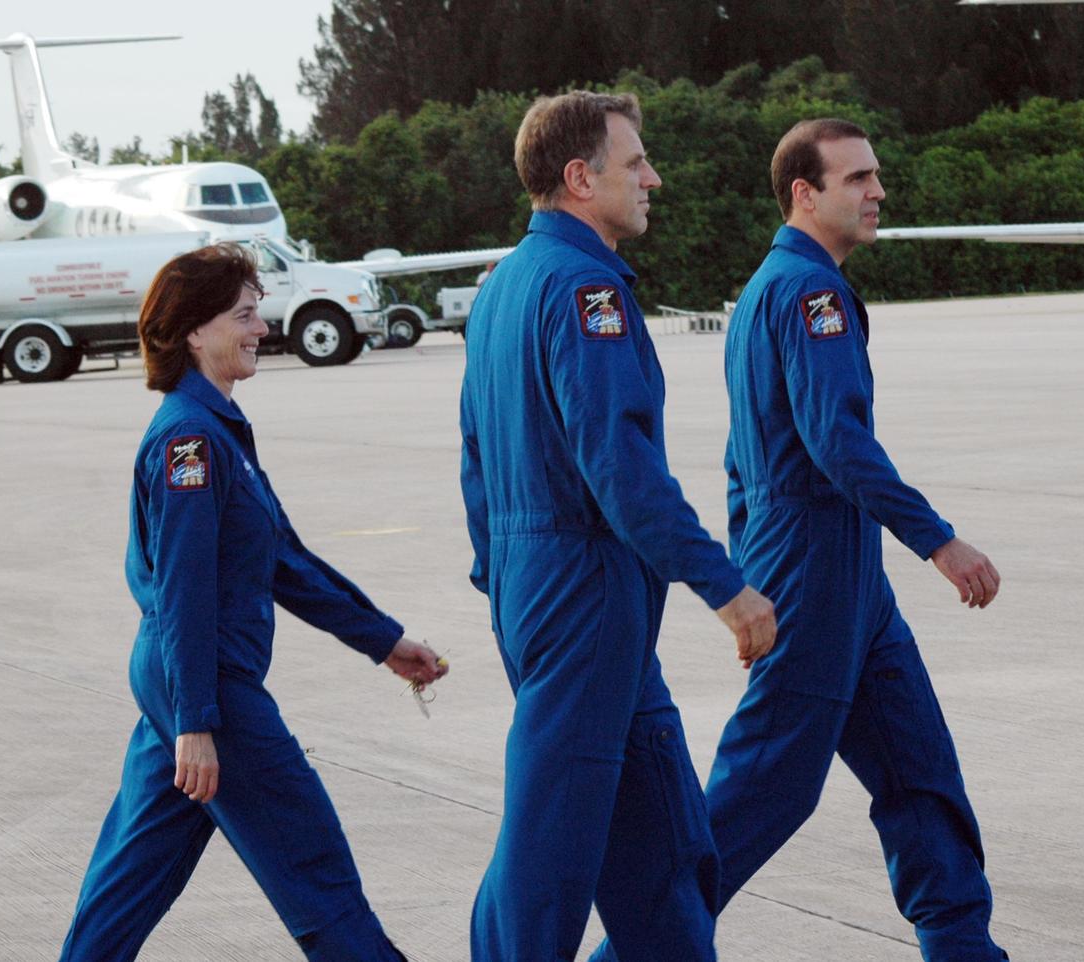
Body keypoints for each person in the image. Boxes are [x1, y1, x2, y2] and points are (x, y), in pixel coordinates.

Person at [58, 243, 446, 962]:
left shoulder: (218, 432)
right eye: (244, 314)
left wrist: (383, 641)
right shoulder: (191, 443)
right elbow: (182, 593)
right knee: (312, 865)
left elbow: (283, 561)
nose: (262, 327)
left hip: (184, 684)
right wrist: (199, 723)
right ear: (194, 332)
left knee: (129, 880)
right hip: (208, 686)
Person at [459, 91, 776, 962]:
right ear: (578, 177)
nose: (653, 178)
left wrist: (505, 582)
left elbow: (476, 460)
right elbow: (620, 468)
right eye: (634, 162)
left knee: (663, 854)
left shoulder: (502, 287)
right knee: (550, 851)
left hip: (545, 590)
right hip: (585, 591)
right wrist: (727, 587)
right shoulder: (585, 287)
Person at [707, 118, 1008, 959]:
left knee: (920, 775)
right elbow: (837, 444)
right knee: (761, 792)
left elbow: (743, 460)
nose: (878, 192)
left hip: (841, 575)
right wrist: (938, 542)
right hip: (812, 570)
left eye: (876, 176)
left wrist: (752, 558)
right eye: (857, 180)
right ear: (805, 194)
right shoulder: (809, 294)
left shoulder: (773, 286)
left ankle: (961, 946)